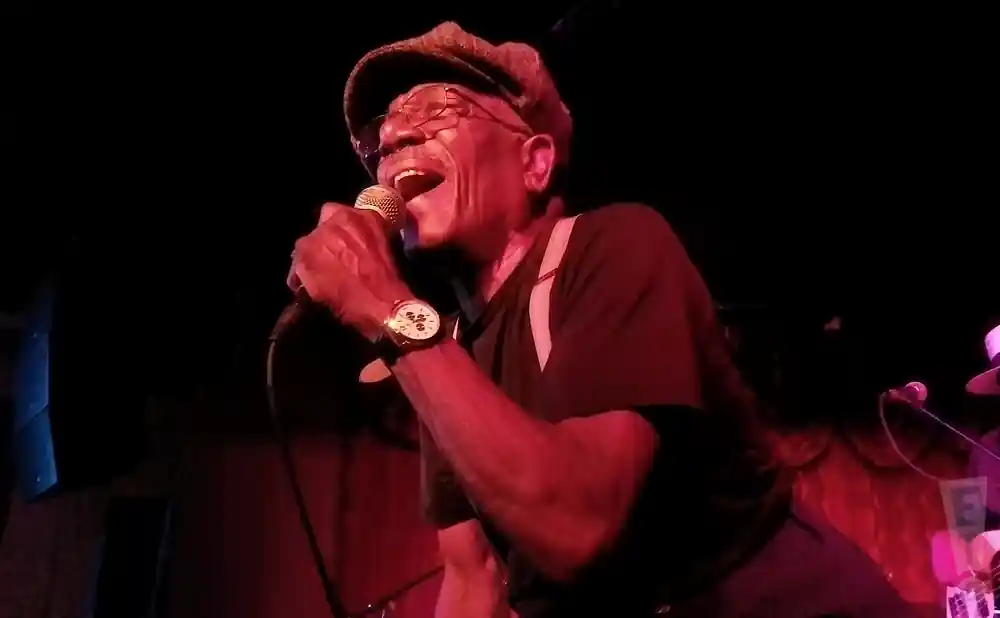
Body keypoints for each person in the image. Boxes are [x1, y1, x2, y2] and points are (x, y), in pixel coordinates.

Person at [290, 21, 917, 618]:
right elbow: (473, 576)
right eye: (382, 133)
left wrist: (386, 307)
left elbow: (578, 524)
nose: (395, 136)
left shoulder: (614, 246)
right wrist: (406, 327)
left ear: (534, 163)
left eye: (434, 108)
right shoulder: (444, 346)